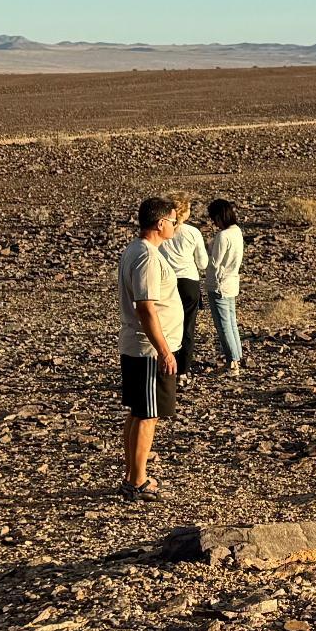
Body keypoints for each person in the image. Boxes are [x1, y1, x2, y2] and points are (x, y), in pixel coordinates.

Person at [119, 197, 184, 502]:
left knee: (139, 411)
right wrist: (165, 350)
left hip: (141, 347)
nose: (175, 226)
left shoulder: (137, 250)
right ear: (160, 224)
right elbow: (146, 308)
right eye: (173, 221)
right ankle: (137, 480)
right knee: (148, 414)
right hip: (148, 350)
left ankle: (134, 474)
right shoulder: (147, 257)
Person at [160, 192, 209, 376]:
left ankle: (166, 366)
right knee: (188, 328)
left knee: (166, 327)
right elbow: (203, 263)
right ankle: (182, 372)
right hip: (189, 283)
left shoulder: (162, 232)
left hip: (166, 283)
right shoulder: (193, 232)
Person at [203, 199, 245, 373]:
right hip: (231, 282)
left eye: (215, 219)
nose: (215, 223)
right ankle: (237, 356)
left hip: (219, 284)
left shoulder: (223, 235)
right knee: (231, 322)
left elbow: (214, 262)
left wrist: (207, 248)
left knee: (223, 325)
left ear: (220, 216)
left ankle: (232, 362)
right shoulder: (237, 232)